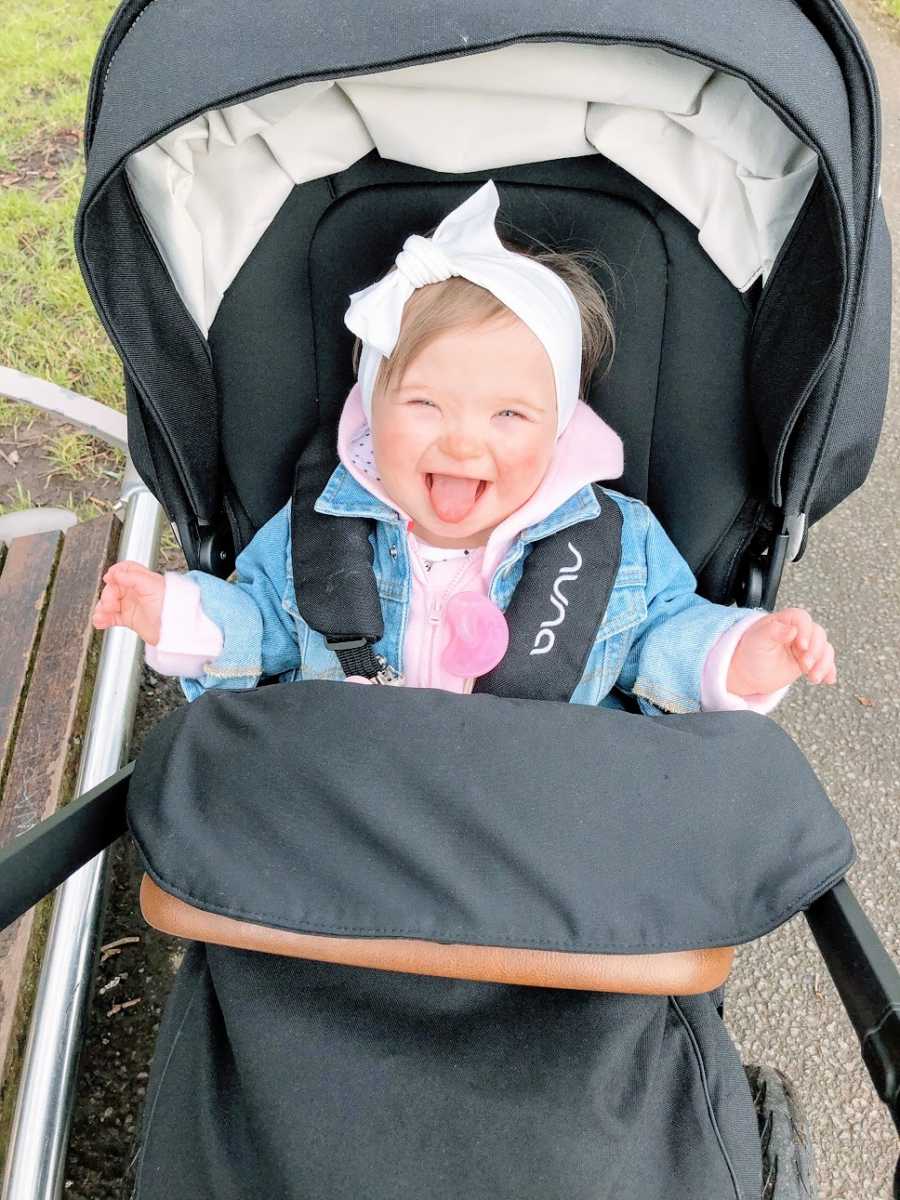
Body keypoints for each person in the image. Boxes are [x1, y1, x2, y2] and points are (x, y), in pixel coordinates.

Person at [92, 180, 836, 712]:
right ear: (370, 407)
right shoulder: (322, 528)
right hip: (348, 796)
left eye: (508, 415)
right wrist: (178, 615)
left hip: (530, 823)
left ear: (561, 428)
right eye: (422, 403)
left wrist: (743, 657)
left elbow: (667, 638)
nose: (462, 439)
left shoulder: (615, 547)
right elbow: (262, 624)